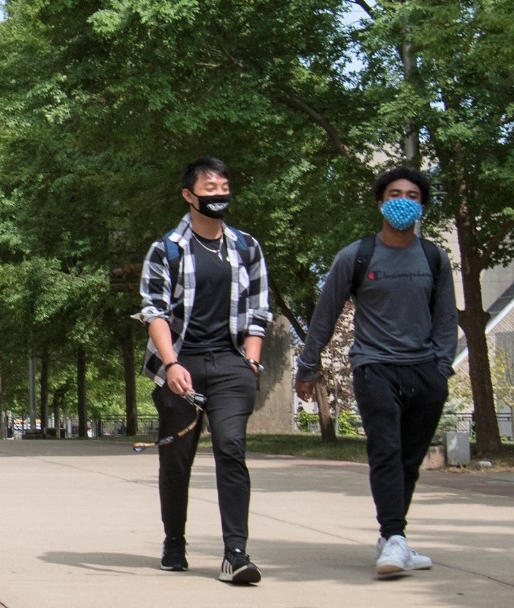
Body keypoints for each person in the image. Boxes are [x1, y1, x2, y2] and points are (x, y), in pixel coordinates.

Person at [295, 166, 458, 576]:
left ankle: (392, 540)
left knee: (409, 461)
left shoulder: (434, 258)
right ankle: (395, 536)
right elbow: (325, 314)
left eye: (412, 195)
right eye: (394, 193)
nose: (403, 200)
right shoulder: (357, 256)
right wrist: (307, 366)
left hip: (425, 372)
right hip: (374, 367)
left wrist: (441, 368)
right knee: (385, 451)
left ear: (422, 205)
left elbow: (444, 320)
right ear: (380, 202)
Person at [132, 156, 271, 584]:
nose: (219, 194)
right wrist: (171, 363)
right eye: (209, 188)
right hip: (181, 363)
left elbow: (259, 311)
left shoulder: (246, 247)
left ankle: (236, 554)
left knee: (232, 449)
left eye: (224, 187)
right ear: (188, 195)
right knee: (177, 459)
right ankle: (175, 541)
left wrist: (250, 360)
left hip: (231, 365)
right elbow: (153, 310)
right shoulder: (167, 249)